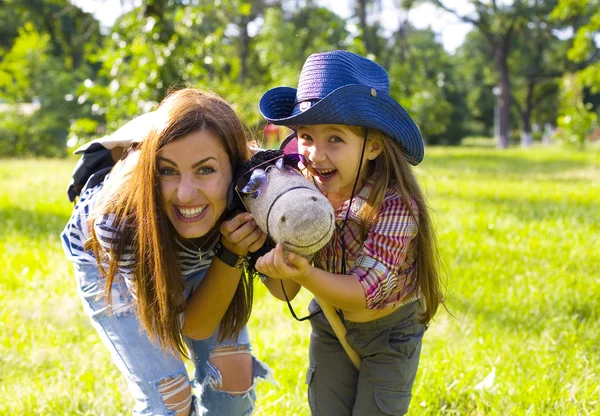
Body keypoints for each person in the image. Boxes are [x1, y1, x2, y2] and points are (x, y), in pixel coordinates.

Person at [254, 50, 445, 415]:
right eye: (306, 136)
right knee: (326, 408)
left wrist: (306, 273)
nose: (315, 154)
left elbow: (362, 293)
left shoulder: (394, 204)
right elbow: (285, 290)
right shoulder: (300, 196)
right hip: (330, 322)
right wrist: (276, 268)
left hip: (389, 331)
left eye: (335, 139)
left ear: (373, 145)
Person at [61, 88, 273, 416]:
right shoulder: (118, 222)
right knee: (169, 395)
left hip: (205, 253)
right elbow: (189, 324)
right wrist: (230, 251)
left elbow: (286, 290)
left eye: (205, 170)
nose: (186, 194)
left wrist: (247, 247)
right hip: (121, 257)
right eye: (167, 170)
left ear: (234, 168)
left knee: (232, 382)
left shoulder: (256, 185)